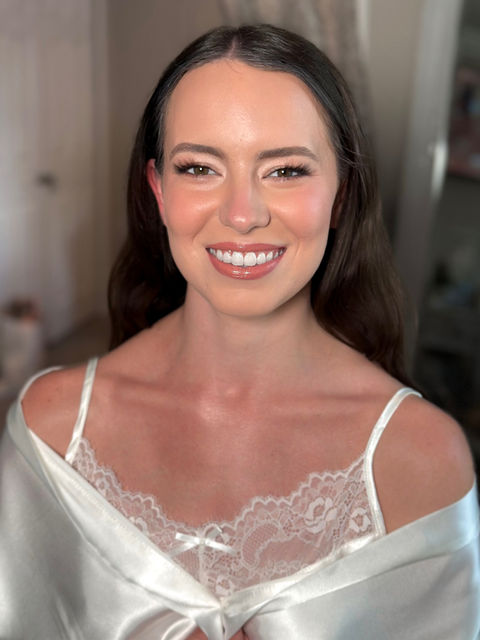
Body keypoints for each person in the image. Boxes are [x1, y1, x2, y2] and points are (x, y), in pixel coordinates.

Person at [1, 24, 478, 640]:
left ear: (340, 195)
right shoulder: (51, 431)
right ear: (159, 191)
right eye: (200, 168)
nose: (242, 215)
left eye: (286, 171)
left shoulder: (421, 463)